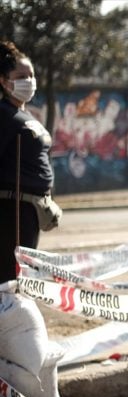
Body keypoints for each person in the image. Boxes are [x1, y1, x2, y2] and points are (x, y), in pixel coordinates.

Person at [0, 41, 56, 287]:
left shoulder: (25, 114)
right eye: (21, 76)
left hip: (31, 210)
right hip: (11, 210)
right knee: (11, 278)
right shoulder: (3, 114)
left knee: (24, 275)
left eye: (31, 75)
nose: (29, 81)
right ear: (3, 81)